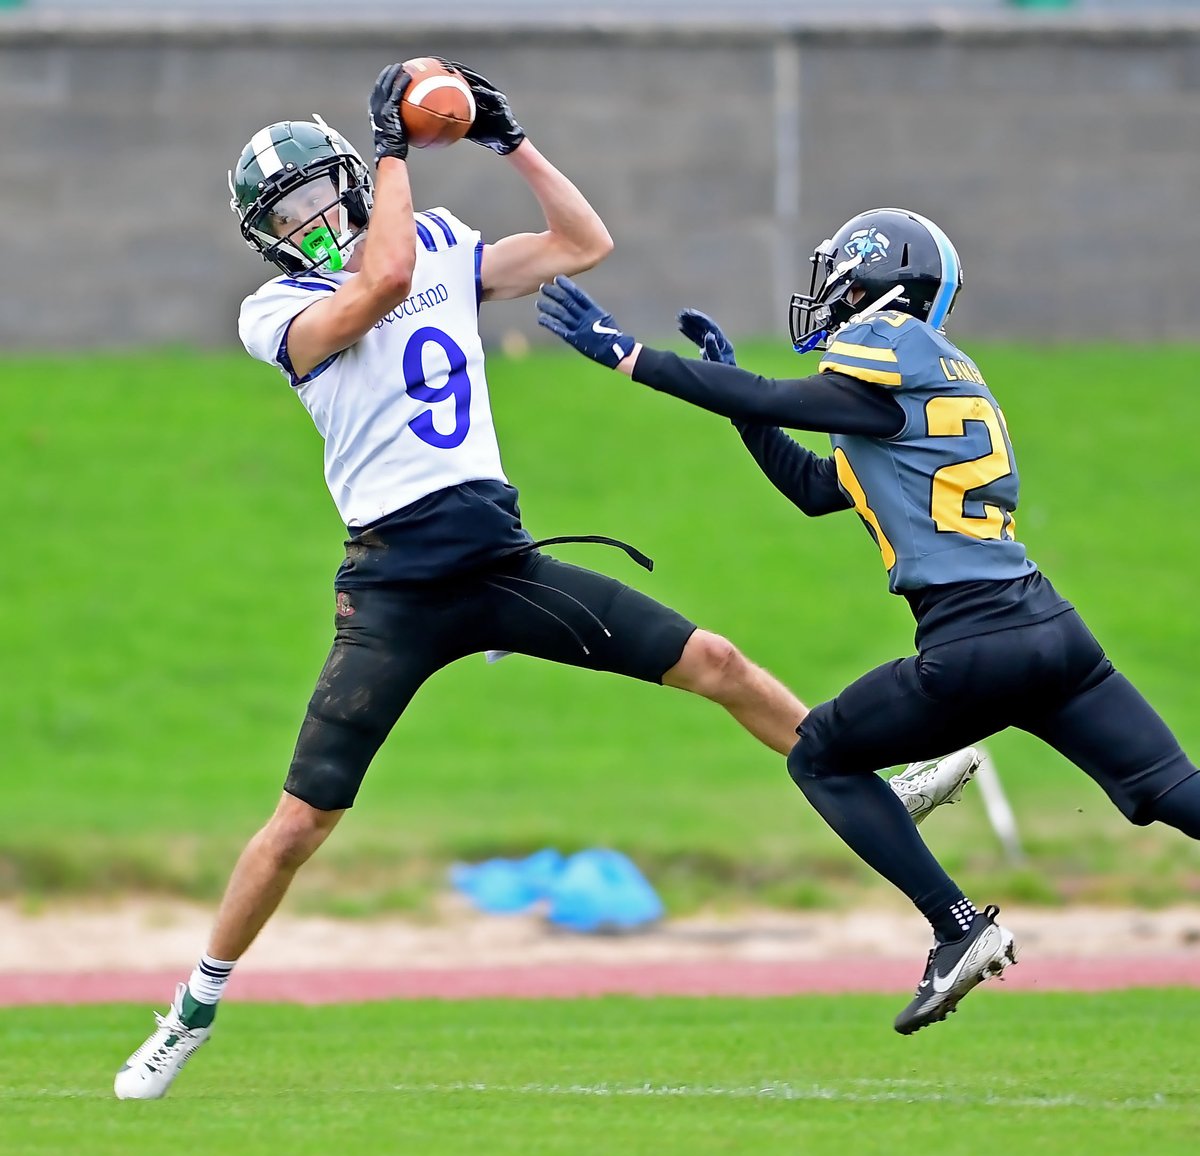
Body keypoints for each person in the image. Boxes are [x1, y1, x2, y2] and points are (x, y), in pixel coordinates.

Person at [114, 74, 977, 1101]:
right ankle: (191, 1011)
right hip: (395, 583)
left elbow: (580, 243)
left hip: (501, 561)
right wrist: (393, 144)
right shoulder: (279, 309)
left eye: (314, 194)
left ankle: (884, 786)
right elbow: (382, 284)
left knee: (716, 662)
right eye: (284, 212)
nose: (306, 221)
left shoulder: (431, 237)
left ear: (345, 185)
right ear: (269, 235)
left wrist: (510, 143)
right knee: (300, 822)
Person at [536, 205, 1200, 1035]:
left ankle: (959, 927)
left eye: (843, 280)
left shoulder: (890, 354)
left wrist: (631, 357)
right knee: (1172, 792)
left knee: (818, 757)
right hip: (1051, 629)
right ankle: (922, 823)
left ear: (879, 287)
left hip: (972, 640)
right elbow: (817, 488)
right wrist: (747, 410)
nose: (830, 297)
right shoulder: (939, 376)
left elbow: (781, 396)